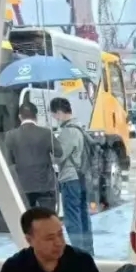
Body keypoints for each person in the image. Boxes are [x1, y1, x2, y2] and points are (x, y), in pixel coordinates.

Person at [50, 97, 94, 254]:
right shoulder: (80, 127)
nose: (54, 118)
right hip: (82, 177)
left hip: (70, 178)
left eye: (54, 114)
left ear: (59, 112)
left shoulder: (68, 131)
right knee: (83, 216)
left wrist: (52, 147)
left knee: (72, 218)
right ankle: (87, 251)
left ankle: (78, 253)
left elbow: (58, 157)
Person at [3, 101, 61, 208]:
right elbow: (59, 152)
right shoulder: (46, 133)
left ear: (20, 117)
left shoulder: (10, 135)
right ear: (36, 116)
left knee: (26, 216)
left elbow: (8, 161)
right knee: (47, 216)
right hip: (45, 185)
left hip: (22, 186)